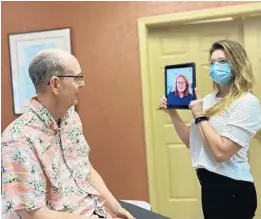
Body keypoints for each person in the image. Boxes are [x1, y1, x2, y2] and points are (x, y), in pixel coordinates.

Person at [1, 49, 134, 219]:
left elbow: (85, 170)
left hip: (95, 209)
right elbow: (34, 215)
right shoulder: (17, 139)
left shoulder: (71, 118)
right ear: (55, 84)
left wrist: (115, 207)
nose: (83, 84)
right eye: (77, 78)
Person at [159, 40, 261, 219]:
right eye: (212, 62)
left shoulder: (247, 102)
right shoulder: (208, 100)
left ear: (237, 63)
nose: (215, 66)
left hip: (233, 190)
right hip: (209, 186)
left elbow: (221, 152)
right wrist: (173, 114)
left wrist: (199, 115)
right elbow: (192, 142)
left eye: (222, 61)